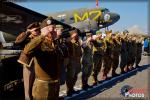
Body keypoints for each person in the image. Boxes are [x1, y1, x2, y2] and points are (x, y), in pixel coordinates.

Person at [23, 17, 63, 100]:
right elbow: (27, 50)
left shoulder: (55, 43)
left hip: (55, 83)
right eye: (50, 29)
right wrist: (42, 35)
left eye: (54, 28)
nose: (53, 31)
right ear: (44, 30)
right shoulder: (40, 42)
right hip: (43, 85)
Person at [16, 22, 41, 100]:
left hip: (39, 64)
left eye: (38, 29)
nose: (37, 31)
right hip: (29, 64)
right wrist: (27, 32)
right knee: (28, 85)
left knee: (38, 84)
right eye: (35, 30)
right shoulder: (27, 38)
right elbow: (17, 41)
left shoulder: (40, 37)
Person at [66, 29, 82, 96]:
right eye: (76, 34)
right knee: (70, 77)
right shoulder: (69, 41)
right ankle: (69, 90)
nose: (77, 35)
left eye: (77, 34)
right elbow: (67, 42)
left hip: (77, 61)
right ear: (72, 35)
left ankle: (72, 88)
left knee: (75, 76)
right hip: (72, 61)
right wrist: (71, 37)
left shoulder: (77, 41)